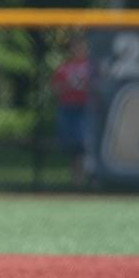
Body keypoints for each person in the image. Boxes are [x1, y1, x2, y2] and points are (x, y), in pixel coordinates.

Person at [50, 36, 90, 187]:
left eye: (81, 46)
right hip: (69, 108)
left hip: (87, 109)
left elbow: (101, 87)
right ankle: (76, 181)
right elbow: (54, 89)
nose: (78, 50)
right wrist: (68, 84)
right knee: (74, 147)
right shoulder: (64, 67)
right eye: (75, 47)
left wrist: (85, 85)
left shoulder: (92, 67)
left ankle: (91, 179)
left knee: (87, 144)